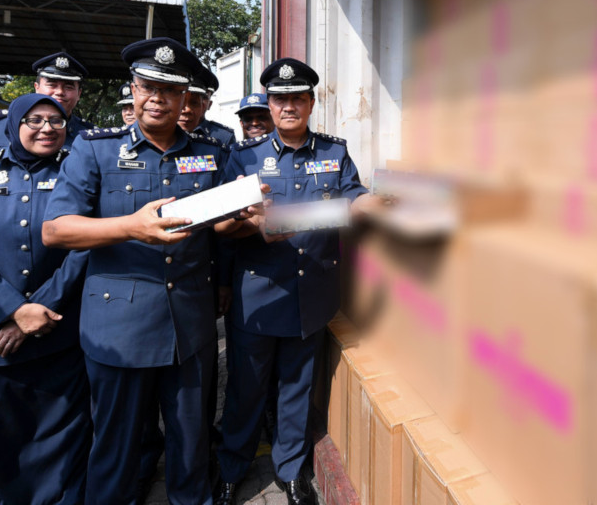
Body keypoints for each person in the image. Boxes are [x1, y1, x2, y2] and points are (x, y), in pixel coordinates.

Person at [42, 37, 231, 505]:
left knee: (191, 443)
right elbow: (57, 230)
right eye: (148, 86)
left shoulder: (210, 153)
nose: (158, 98)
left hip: (189, 323)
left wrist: (247, 216)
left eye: (170, 90)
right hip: (118, 326)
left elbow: (223, 223)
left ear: (186, 98)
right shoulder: (96, 150)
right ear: (134, 88)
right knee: (116, 446)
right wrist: (131, 227)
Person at [214, 59, 376, 505]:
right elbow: (224, 225)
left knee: (297, 390)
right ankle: (231, 467)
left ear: (310, 103)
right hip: (260, 294)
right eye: (280, 99)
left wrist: (369, 203)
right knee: (245, 390)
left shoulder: (333, 152)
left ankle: (290, 471)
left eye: (297, 98)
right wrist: (248, 224)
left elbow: (353, 195)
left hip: (312, 294)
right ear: (269, 104)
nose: (289, 106)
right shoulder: (244, 157)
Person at [0, 94, 91, 504]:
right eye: (35, 119)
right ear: (13, 126)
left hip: (59, 332)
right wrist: (15, 311)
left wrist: (41, 308)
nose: (47, 128)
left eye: (56, 121)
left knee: (60, 437)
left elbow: (84, 248)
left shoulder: (77, 173)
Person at [0, 51, 93, 157]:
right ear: (36, 87)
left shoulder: (90, 134)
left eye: (68, 87)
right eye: (52, 85)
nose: (60, 92)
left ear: (79, 94)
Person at [178, 66, 236, 147]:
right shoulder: (161, 133)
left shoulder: (223, 137)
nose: (187, 109)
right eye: (183, 101)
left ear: (208, 104)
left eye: (204, 98)